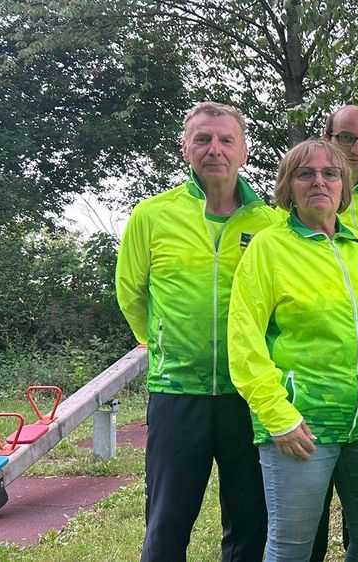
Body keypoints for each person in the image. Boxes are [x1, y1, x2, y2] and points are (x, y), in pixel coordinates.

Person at [228, 139, 358, 562]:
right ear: (288, 186)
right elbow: (244, 338)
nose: (319, 182)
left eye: (330, 174)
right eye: (305, 174)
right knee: (291, 549)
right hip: (303, 429)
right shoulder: (269, 248)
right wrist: (277, 415)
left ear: (344, 185)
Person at [116, 101, 273, 562]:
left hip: (249, 394)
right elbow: (131, 293)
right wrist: (164, 345)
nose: (214, 149)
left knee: (250, 522)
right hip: (177, 392)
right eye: (202, 139)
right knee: (167, 522)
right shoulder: (152, 216)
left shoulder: (269, 224)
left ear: (243, 151)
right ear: (186, 148)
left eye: (226, 140)